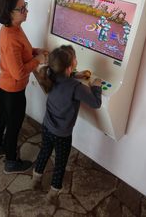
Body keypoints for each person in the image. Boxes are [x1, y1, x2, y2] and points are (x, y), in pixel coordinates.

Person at [30, 45, 102, 205]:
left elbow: (64, 78)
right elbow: (96, 103)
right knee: (60, 163)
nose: (77, 60)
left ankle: (36, 179)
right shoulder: (76, 87)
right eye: (75, 59)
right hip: (62, 135)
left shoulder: (50, 74)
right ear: (69, 67)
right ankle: (53, 193)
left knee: (44, 152)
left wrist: (76, 75)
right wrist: (97, 86)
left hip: (47, 127)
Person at [0, 0, 48, 174]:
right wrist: (38, 60)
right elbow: (18, 72)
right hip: (12, 91)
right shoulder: (10, 38)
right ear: (9, 13)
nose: (26, 11)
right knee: (13, 126)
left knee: (3, 118)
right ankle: (11, 162)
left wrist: (35, 51)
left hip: (3, 86)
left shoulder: (14, 28)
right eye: (22, 8)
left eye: (26, 6)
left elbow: (23, 52)